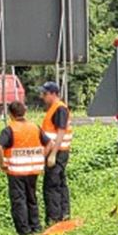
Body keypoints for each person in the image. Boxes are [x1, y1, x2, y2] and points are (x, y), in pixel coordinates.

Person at [0, 100, 49, 235]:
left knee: (19, 201)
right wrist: (42, 156)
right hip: (33, 170)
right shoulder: (35, 127)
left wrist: (1, 164)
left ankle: (24, 232)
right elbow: (50, 143)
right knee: (32, 198)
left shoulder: (10, 129)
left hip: (16, 171)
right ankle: (36, 227)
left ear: (11, 114)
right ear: (24, 112)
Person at [40, 81, 73, 225]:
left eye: (45, 94)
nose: (43, 97)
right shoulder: (55, 108)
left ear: (53, 94)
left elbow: (61, 131)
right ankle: (63, 213)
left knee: (52, 185)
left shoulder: (59, 109)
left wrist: (52, 153)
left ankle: (54, 217)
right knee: (60, 183)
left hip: (58, 152)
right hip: (59, 151)